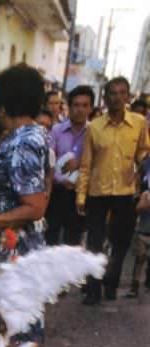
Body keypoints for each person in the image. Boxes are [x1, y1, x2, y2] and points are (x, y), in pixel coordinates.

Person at [77, 76, 150, 304]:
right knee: (95, 244)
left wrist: (141, 168)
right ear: (105, 98)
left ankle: (111, 283)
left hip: (125, 193)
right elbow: (86, 164)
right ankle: (93, 290)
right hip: (98, 193)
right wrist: (81, 195)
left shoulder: (139, 123)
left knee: (120, 243)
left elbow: (143, 153)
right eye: (112, 93)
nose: (117, 98)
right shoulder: (95, 128)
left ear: (128, 97)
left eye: (121, 93)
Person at [0, 64, 49, 272]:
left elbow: (35, 207)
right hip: (5, 245)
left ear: (4, 105)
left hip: (13, 252)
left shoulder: (25, 142)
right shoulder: (23, 135)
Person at [46, 85, 94, 247]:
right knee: (50, 238)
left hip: (80, 194)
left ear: (91, 108)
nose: (80, 110)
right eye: (76, 105)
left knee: (72, 243)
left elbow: (99, 161)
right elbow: (49, 161)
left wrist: (80, 162)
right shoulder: (56, 130)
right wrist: (60, 180)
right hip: (57, 192)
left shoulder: (95, 132)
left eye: (84, 105)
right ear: (69, 106)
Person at [127, 157, 150, 297]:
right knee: (139, 258)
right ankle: (134, 286)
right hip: (142, 229)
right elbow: (138, 207)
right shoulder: (146, 161)